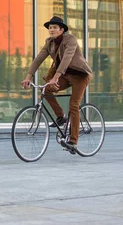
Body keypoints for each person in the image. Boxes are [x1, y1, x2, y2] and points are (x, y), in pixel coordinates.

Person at [21, 16, 93, 152]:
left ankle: (73, 141)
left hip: (80, 75)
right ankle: (61, 117)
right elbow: (38, 59)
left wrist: (55, 77)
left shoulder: (70, 39)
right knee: (47, 90)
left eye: (54, 27)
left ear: (61, 30)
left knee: (74, 105)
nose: (51, 30)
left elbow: (67, 58)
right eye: (50, 27)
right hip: (65, 75)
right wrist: (28, 76)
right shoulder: (49, 43)